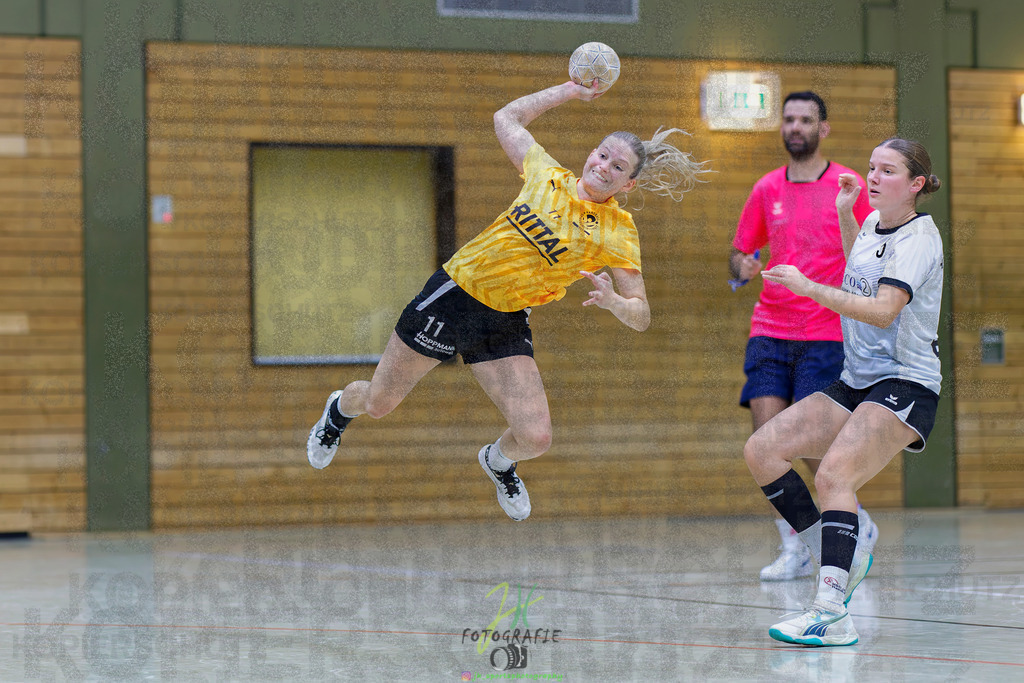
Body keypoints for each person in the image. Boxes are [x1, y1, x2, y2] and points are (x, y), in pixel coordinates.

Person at [306, 79, 711, 521]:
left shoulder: (618, 231)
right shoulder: (546, 175)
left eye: (618, 166)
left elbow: (642, 315)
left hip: (504, 320)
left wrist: (615, 302)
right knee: (379, 403)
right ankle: (337, 413)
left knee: (535, 438)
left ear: (628, 184)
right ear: (591, 153)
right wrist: (570, 91)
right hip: (453, 297)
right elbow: (506, 118)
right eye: (602, 154)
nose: (604, 167)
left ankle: (498, 461)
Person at [746, 137, 944, 646]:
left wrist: (808, 287)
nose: (873, 177)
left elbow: (882, 310)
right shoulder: (875, 222)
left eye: (888, 171)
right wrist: (843, 213)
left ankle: (831, 610)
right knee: (763, 450)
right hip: (857, 380)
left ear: (916, 184)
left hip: (904, 383)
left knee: (834, 474)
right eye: (872, 167)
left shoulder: (919, 239)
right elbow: (864, 270)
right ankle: (837, 555)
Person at [729, 91, 879, 581]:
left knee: (814, 445)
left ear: (823, 128)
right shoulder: (766, 188)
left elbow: (870, 255)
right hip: (770, 330)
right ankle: (795, 544)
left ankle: (858, 524)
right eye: (789, 119)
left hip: (827, 332)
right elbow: (740, 253)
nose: (796, 127)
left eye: (806, 120)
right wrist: (742, 266)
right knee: (765, 439)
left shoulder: (848, 185)